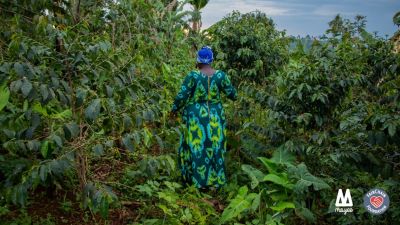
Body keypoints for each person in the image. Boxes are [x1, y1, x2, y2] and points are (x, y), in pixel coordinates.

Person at [170, 46, 237, 189]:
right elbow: (233, 95)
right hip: (215, 117)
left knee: (196, 147)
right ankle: (216, 182)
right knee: (215, 146)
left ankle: (196, 182)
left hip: (195, 116)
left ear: (198, 60)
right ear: (212, 60)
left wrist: (174, 109)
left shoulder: (193, 76)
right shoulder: (221, 76)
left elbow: (182, 96)